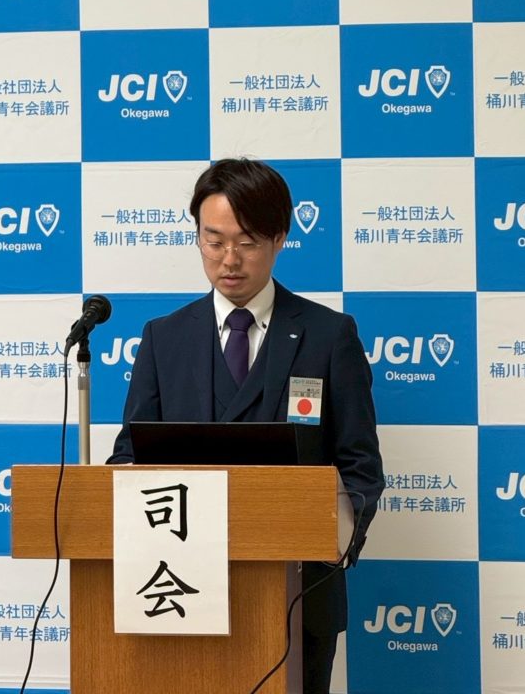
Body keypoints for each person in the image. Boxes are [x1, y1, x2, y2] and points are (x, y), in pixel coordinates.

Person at [109, 158, 384, 694]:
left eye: (247, 242)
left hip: (299, 597)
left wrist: (334, 538)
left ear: (280, 238)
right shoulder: (163, 338)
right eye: (213, 241)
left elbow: (360, 465)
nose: (228, 259)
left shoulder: (329, 336)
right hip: (180, 592)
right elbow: (129, 457)